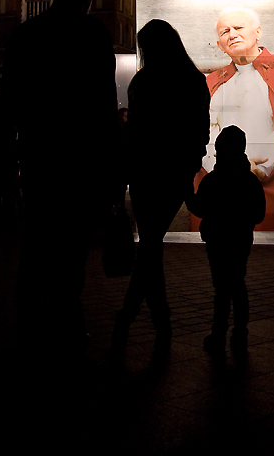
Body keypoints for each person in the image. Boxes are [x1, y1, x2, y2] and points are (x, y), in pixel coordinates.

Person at [2, 0, 119, 360]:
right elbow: (104, 100)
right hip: (81, 155)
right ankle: (68, 321)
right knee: (72, 243)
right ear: (85, 0)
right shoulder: (93, 34)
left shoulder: (27, 33)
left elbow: (12, 96)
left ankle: (31, 322)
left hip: (40, 150)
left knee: (37, 238)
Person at [111, 19, 210, 356]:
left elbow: (133, 135)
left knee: (150, 247)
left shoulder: (143, 81)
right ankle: (154, 321)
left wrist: (123, 176)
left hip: (143, 172)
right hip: (172, 174)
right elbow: (198, 135)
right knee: (151, 246)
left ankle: (132, 319)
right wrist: (189, 168)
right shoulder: (193, 81)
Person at [201, 6, 274, 231]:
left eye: (238, 28)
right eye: (224, 32)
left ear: (258, 32)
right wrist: (217, 167)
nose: (232, 35)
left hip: (273, 174)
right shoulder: (211, 82)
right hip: (222, 180)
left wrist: (261, 168)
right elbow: (205, 131)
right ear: (220, 46)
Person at [187, 126, 265, 353]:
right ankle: (240, 332)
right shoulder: (250, 180)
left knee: (221, 287)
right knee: (238, 283)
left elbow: (199, 208)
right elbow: (258, 214)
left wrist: (186, 192)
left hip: (216, 239)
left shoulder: (213, 179)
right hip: (241, 238)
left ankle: (218, 333)